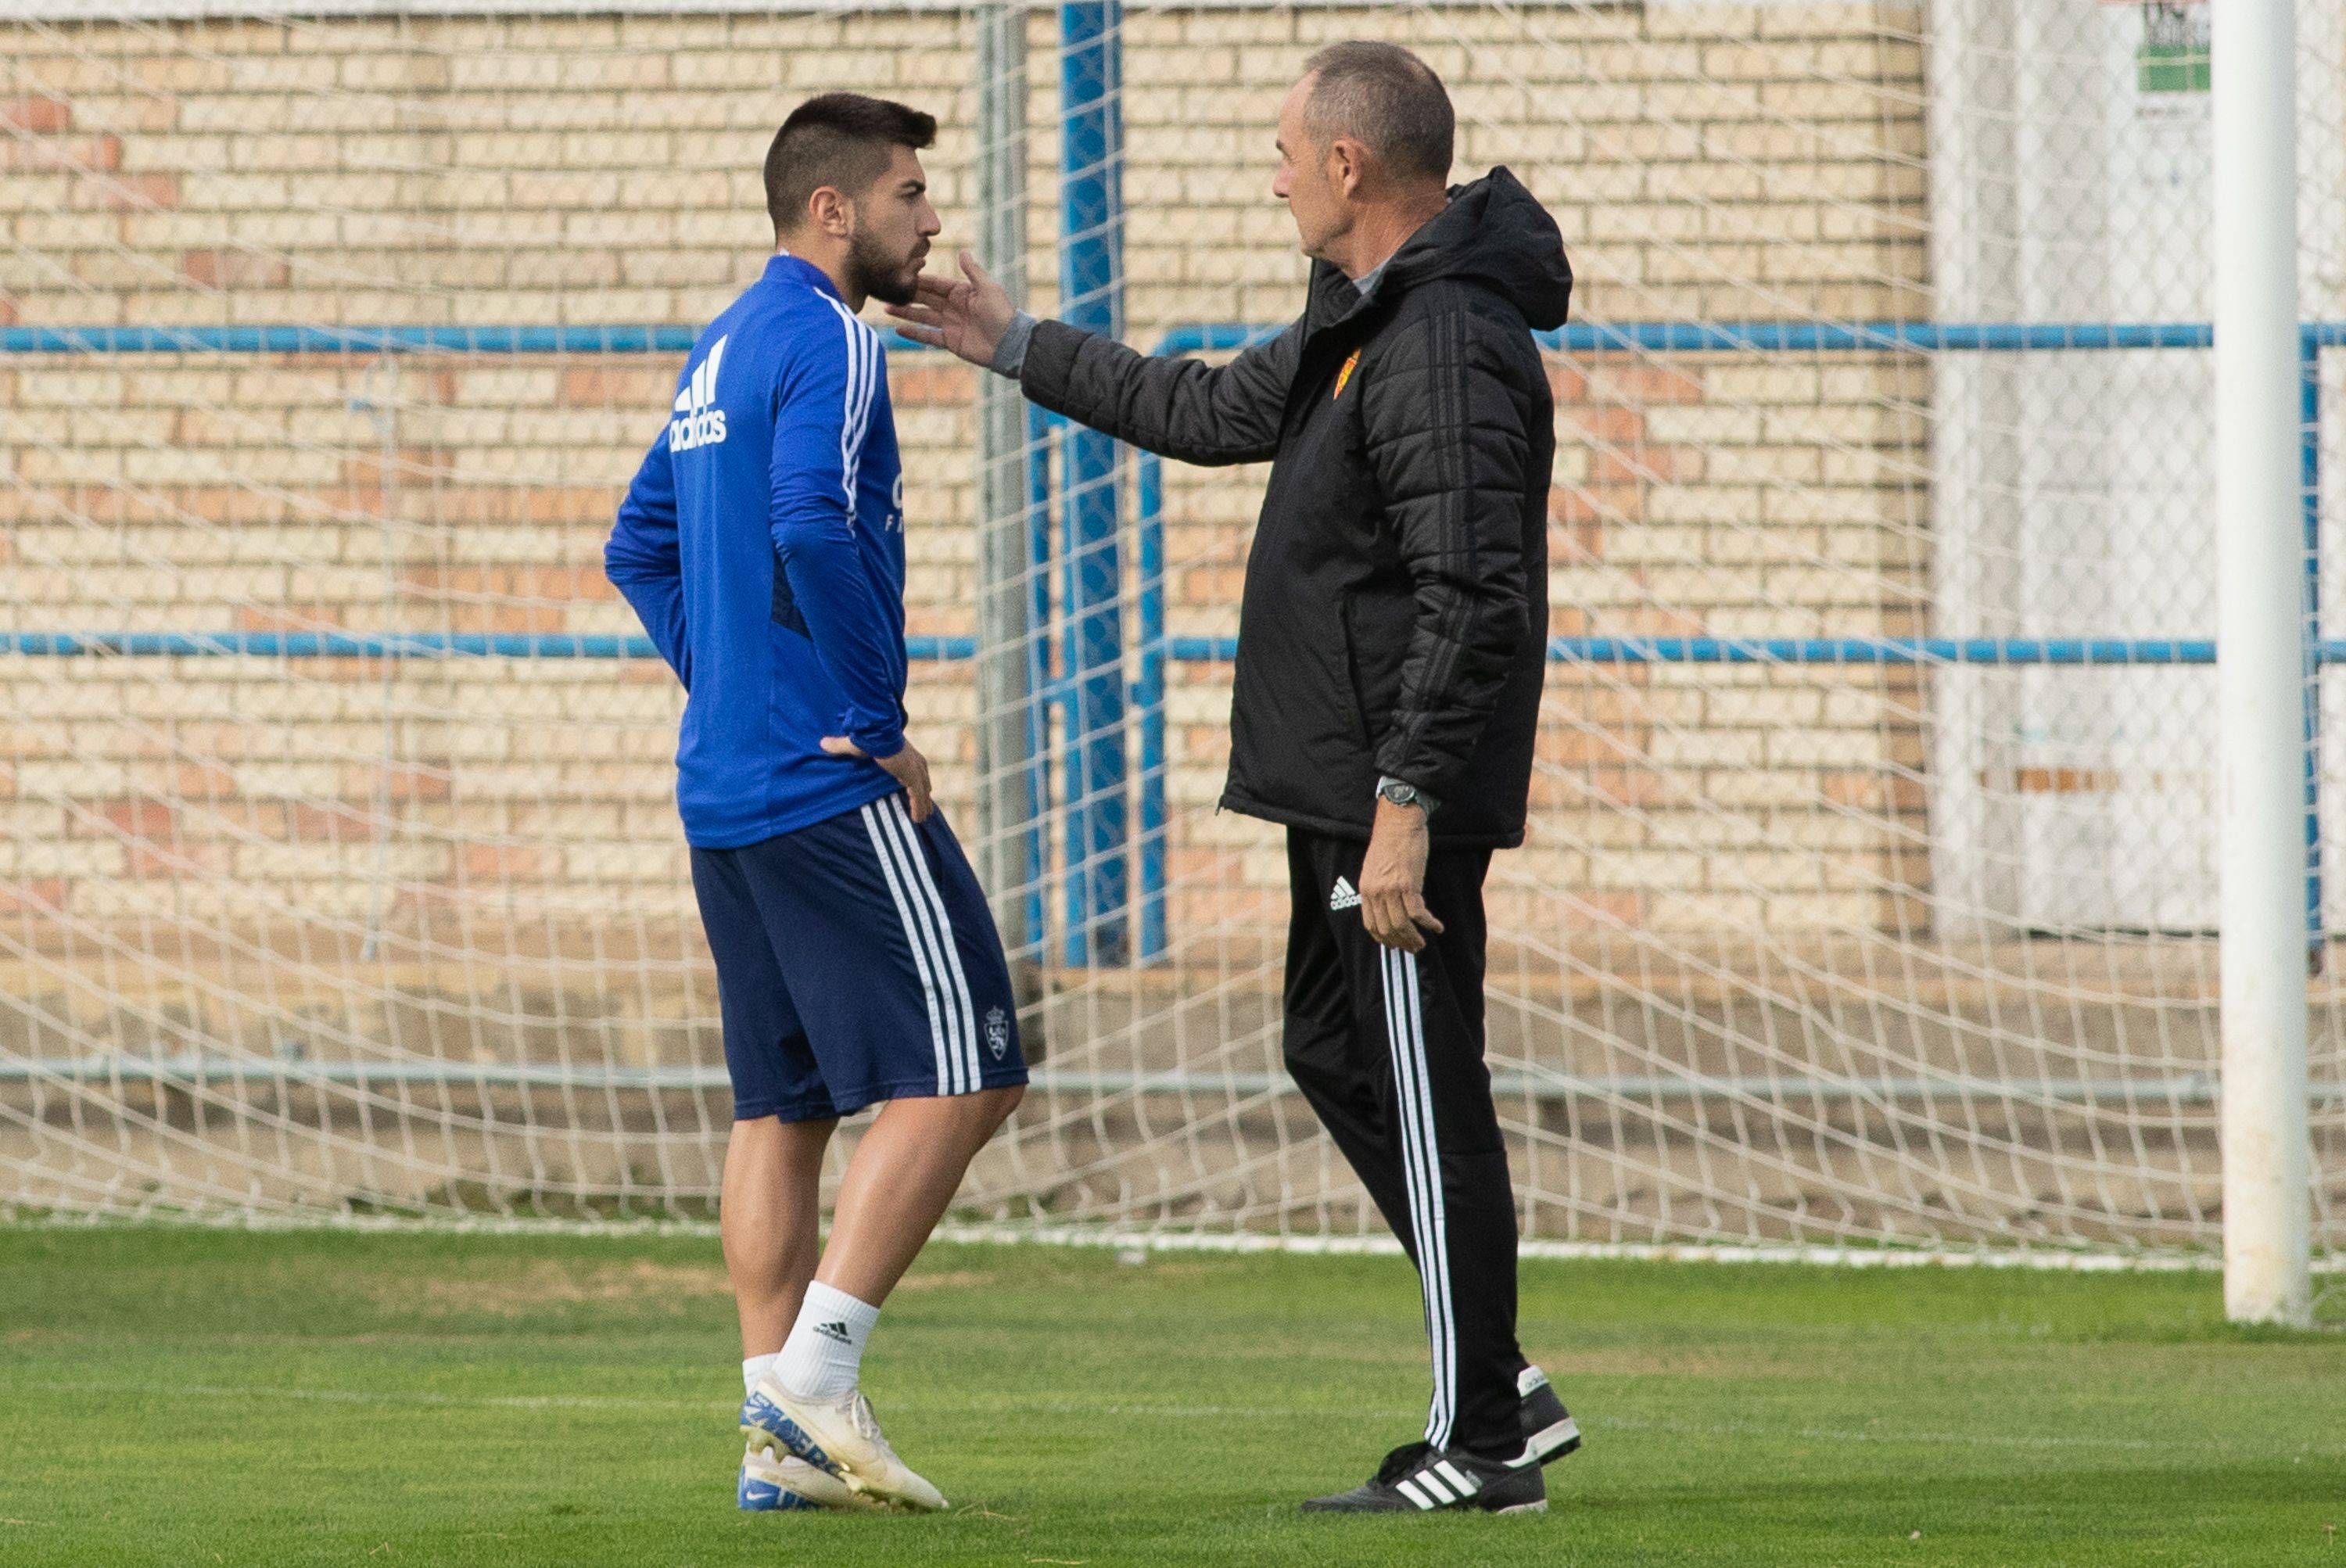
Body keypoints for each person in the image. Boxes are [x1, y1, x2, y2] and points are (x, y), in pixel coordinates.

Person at [890, 41, 1577, 1513]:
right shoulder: (1362, 321)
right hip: (1334, 783)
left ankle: (1482, 1438)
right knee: (1333, 1051)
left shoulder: (1446, 335)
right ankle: (1501, 1370)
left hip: (1390, 800)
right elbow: (1204, 411)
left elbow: (1474, 592)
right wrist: (1013, 343)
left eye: (1285, 149)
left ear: (1348, 164)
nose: (1271, 172)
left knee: (1425, 1081)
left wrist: (1405, 810)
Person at [604, 91, 1028, 1516]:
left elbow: (637, 544)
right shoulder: (835, 338)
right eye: (912, 193)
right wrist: (869, 720)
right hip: (822, 778)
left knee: (780, 1107)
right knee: (969, 1067)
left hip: (724, 782)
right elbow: (803, 518)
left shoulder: (720, 342)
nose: (932, 217)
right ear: (834, 211)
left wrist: (727, 680)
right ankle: (811, 1381)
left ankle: (767, 1442)